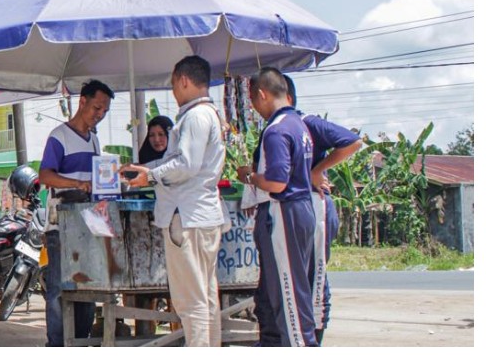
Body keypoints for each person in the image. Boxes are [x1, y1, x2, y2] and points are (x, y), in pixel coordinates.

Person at [122, 57, 227, 347]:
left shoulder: (194, 116)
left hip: (187, 218)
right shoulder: (211, 114)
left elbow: (186, 164)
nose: (173, 91)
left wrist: (151, 176)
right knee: (205, 297)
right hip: (202, 215)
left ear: (182, 80)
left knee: (190, 301)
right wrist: (149, 170)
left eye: (172, 84)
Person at [236, 68, 318, 348]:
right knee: (295, 290)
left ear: (262, 94)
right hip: (302, 209)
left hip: (284, 213)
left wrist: (249, 177)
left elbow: (277, 182)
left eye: (253, 102)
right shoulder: (299, 124)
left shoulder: (276, 129)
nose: (255, 109)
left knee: (289, 296)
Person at [284, 75, 362, 344]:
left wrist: (317, 170)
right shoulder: (282, 128)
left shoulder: (307, 124)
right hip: (299, 207)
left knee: (315, 275)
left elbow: (352, 141)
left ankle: (316, 334)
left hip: (316, 206)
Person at [38, 79, 114, 346]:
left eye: (104, 111)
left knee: (87, 286)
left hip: (88, 224)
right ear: (82, 101)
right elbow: (45, 174)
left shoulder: (94, 140)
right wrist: (75, 183)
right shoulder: (59, 137)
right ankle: (57, 344)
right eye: (96, 108)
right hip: (61, 223)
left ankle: (82, 342)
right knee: (59, 289)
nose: (100, 115)